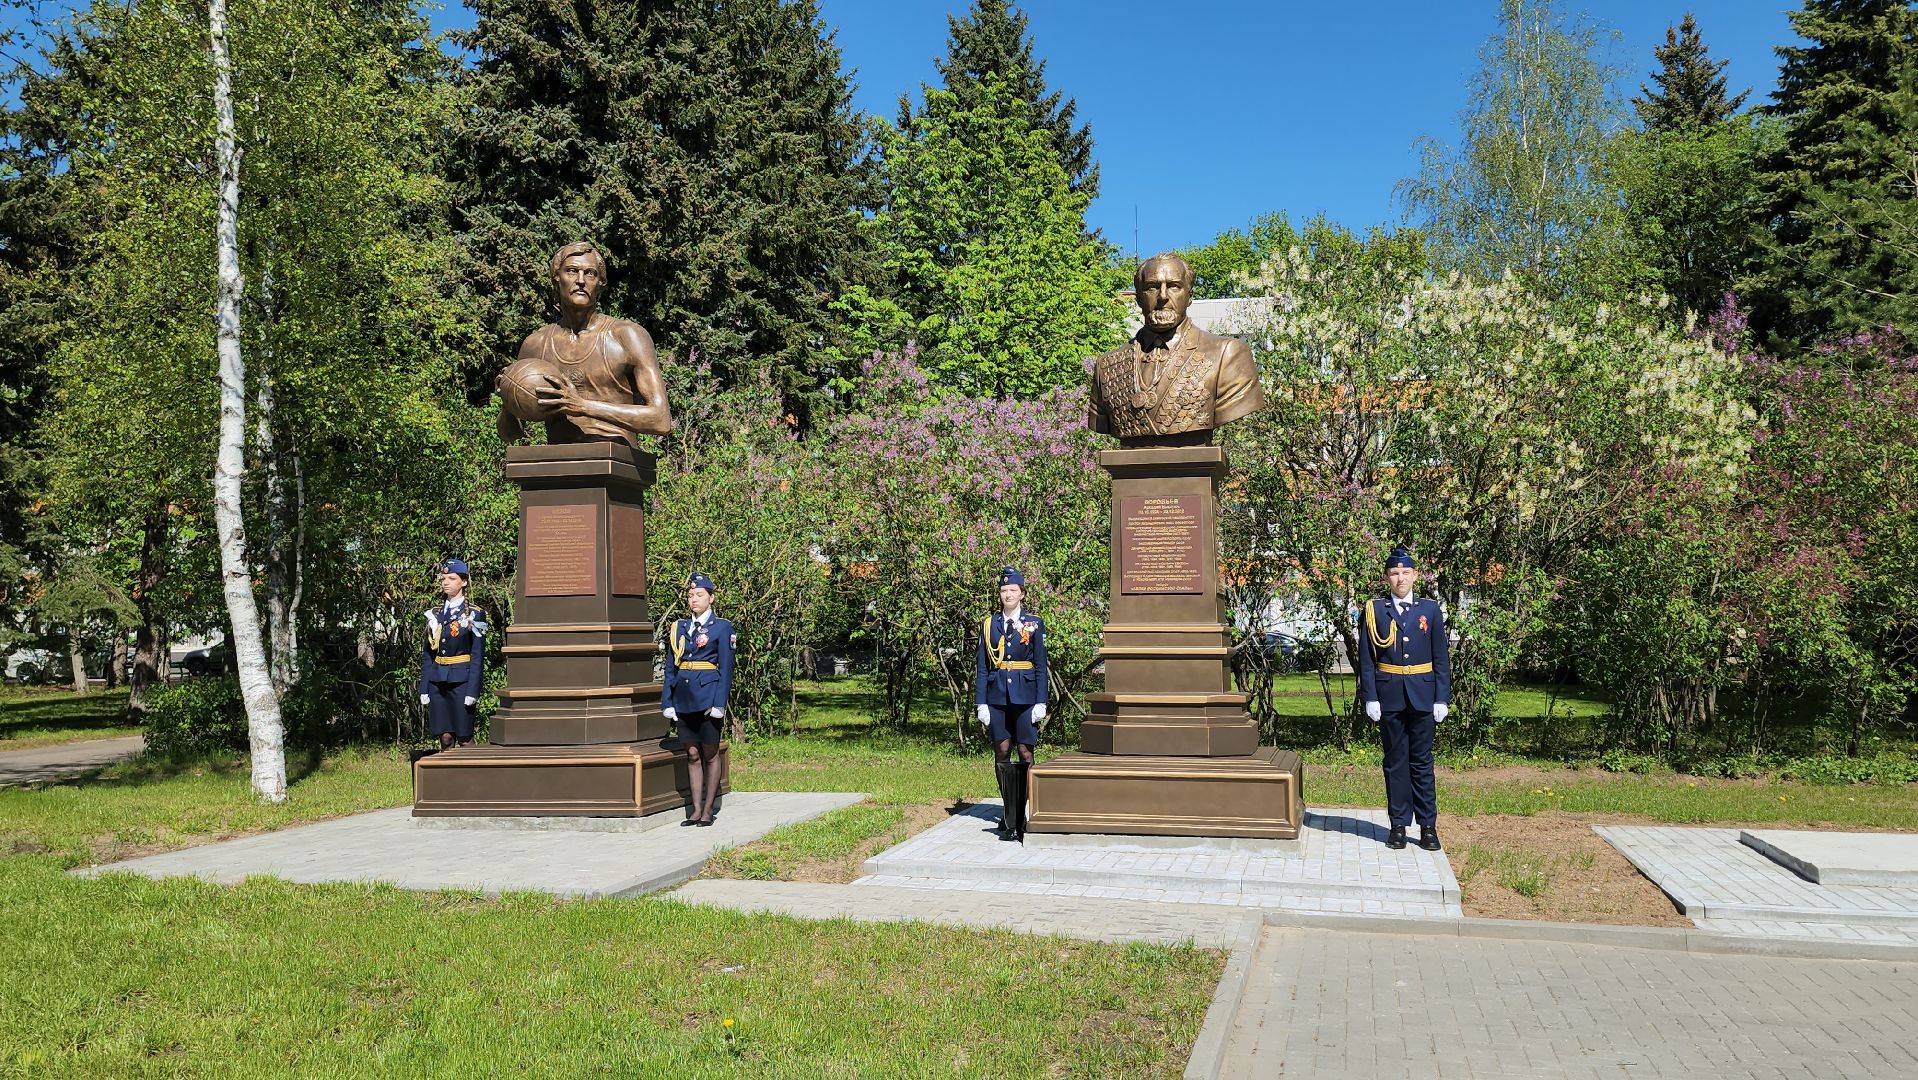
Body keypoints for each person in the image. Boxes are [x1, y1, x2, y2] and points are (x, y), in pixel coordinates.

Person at [497, 240, 674, 445]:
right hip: (559, 460)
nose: (581, 280)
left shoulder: (627, 336)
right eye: (572, 271)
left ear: (600, 283)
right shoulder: (536, 345)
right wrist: (508, 399)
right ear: (557, 278)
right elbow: (509, 435)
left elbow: (661, 420)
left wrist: (582, 406)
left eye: (590, 273)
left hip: (616, 459)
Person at [1087, 252, 1265, 445]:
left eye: (1174, 286)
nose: (1163, 296)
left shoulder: (1227, 354)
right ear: (1138, 298)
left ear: (1189, 296)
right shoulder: (1107, 366)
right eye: (1152, 287)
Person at [1354, 547, 1452, 851]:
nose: (1400, 578)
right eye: (1395, 573)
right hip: (1389, 696)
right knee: (1395, 763)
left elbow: (1441, 658)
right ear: (1387, 577)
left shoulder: (1430, 610)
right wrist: (1370, 696)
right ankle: (1398, 825)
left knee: (1422, 763)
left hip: (1424, 695)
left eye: (1405, 573)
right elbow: (1367, 659)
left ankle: (1427, 827)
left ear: (1415, 576)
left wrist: (1442, 698)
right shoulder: (1374, 610)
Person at [974, 567, 1049, 841]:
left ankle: (1024, 811)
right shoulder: (989, 625)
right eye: (1004, 590)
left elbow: (1040, 665)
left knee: (1025, 752)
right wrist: (981, 703)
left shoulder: (1034, 624)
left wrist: (1041, 701)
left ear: (1022, 594)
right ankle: (1009, 812)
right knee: (1002, 751)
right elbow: (983, 667)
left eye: (1013, 590)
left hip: (1026, 697)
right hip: (997, 698)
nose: (1008, 594)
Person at [663, 573, 734, 826]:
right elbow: (670, 668)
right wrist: (667, 701)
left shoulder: (722, 627)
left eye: (699, 595)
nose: (694, 599)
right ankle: (695, 810)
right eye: (691, 595)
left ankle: (707, 810)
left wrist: (719, 703)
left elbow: (726, 668)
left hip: (708, 698)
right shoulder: (679, 627)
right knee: (692, 753)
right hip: (683, 698)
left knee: (710, 754)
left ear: (711, 598)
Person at [418, 559, 488, 752]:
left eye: (452, 578)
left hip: (461, 681)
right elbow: (428, 654)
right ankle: (448, 772)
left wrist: (473, 690)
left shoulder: (475, 614)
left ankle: (473, 772)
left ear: (463, 582)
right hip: (437, 681)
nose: (446, 582)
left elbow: (477, 656)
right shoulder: (435, 614)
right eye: (443, 578)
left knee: (465, 736)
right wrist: (424, 687)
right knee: (445, 737)